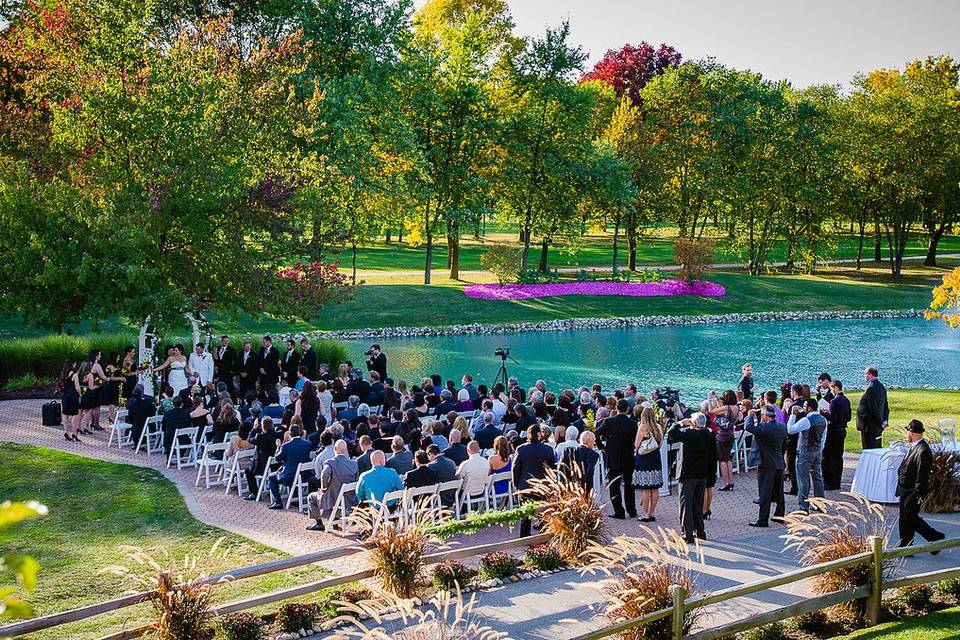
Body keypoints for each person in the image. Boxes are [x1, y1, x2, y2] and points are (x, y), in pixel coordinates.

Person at [896, 420, 945, 551]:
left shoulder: (922, 450)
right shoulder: (914, 446)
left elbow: (922, 475)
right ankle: (905, 545)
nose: (907, 433)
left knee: (910, 517)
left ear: (911, 433)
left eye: (908, 431)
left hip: (912, 491)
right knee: (904, 517)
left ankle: (934, 536)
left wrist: (917, 494)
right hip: (904, 489)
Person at [667, 413, 712, 543]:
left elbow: (672, 432)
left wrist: (681, 423)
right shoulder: (708, 434)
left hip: (687, 474)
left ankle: (687, 533)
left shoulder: (689, 435)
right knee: (698, 503)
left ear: (693, 423)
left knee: (686, 504)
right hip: (702, 473)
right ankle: (700, 530)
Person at [595, 398, 638, 520]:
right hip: (628, 457)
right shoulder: (633, 423)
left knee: (614, 486)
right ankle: (632, 510)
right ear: (627, 409)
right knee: (629, 485)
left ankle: (619, 511)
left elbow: (596, 434)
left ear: (616, 409)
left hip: (613, 457)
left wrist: (602, 447)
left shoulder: (608, 422)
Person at [746, 405, 788, 527]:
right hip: (778, 462)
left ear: (765, 416)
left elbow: (749, 427)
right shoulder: (782, 426)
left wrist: (750, 415)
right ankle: (780, 516)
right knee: (779, 492)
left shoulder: (764, 428)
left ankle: (763, 519)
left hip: (766, 463)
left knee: (765, 492)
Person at [306, 439, 358, 531]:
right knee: (332, 494)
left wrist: (324, 487)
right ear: (345, 450)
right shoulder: (354, 463)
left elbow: (324, 474)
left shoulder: (330, 462)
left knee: (311, 497)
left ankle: (319, 523)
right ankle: (335, 520)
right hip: (349, 499)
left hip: (334, 499)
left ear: (335, 449)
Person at [513, 426, 556, 537]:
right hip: (543, 486)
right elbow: (553, 469)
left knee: (525, 515)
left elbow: (515, 468)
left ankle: (525, 537)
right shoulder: (548, 449)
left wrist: (516, 485)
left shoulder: (521, 449)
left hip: (525, 486)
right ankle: (543, 538)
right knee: (544, 514)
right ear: (539, 435)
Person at [788, 398, 827, 513]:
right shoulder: (823, 419)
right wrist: (820, 449)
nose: (803, 409)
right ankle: (820, 504)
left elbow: (790, 430)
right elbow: (823, 437)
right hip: (817, 451)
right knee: (817, 478)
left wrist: (793, 416)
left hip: (805, 452)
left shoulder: (807, 420)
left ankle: (803, 507)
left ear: (809, 408)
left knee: (803, 479)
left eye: (804, 407)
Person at [267, 424, 312, 509]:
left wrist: (278, 447)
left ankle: (278, 502)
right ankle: (295, 499)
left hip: (290, 476)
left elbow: (277, 458)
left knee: (271, 477)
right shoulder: (308, 444)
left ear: (290, 434)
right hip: (305, 475)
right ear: (300, 432)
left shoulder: (286, 446)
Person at [633, 407, 663, 522]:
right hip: (655, 457)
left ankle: (645, 514)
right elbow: (660, 444)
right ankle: (652, 512)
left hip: (644, 458)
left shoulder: (642, 427)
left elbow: (636, 444)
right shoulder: (658, 427)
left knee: (646, 488)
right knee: (655, 488)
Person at [822, 379, 851, 490]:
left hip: (833, 430)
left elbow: (832, 418)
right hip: (842, 429)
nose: (831, 391)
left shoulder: (834, 402)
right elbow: (848, 417)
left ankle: (829, 482)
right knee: (838, 456)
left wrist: (824, 413)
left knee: (829, 456)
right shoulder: (846, 400)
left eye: (831, 388)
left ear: (835, 388)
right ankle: (837, 481)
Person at [856, 366, 889, 450]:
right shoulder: (882, 387)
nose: (865, 376)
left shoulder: (870, 388)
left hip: (869, 425)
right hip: (878, 425)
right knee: (877, 447)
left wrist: (881, 422)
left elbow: (873, 408)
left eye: (865, 374)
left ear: (870, 375)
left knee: (869, 449)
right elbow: (886, 407)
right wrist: (884, 420)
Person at [59, 360, 81, 442]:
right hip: (73, 397)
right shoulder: (75, 375)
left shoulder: (64, 374)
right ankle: (74, 433)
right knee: (74, 415)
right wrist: (80, 394)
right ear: (73, 365)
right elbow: (77, 388)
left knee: (65, 414)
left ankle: (66, 432)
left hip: (65, 396)